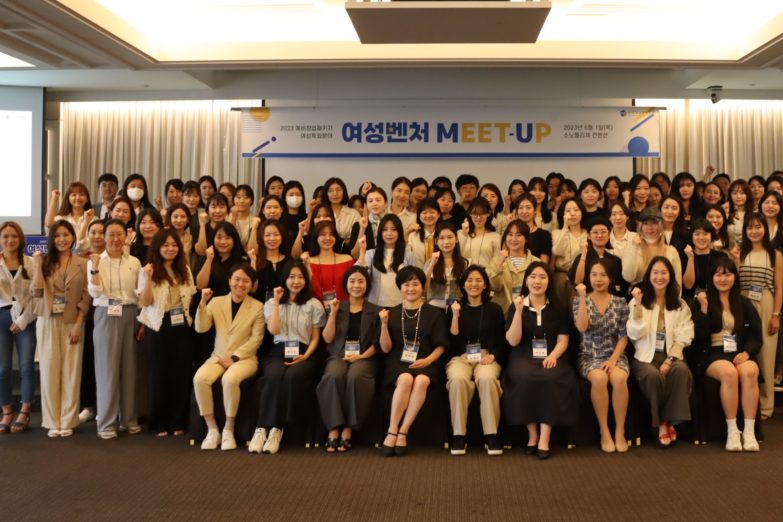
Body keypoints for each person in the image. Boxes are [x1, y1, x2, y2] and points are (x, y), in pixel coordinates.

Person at [504, 262, 578, 459]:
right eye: (533, 277)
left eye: (542, 277)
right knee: (524, 377)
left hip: (553, 354)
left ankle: (545, 437)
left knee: (550, 378)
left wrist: (553, 355)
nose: (537, 281)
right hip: (523, 353)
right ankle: (532, 435)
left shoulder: (558, 307)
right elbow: (513, 341)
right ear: (526, 280)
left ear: (549, 281)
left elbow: (563, 340)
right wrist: (518, 311)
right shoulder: (516, 306)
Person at [251, 261, 324, 455]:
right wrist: (276, 302)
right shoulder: (271, 303)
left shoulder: (314, 304)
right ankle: (262, 428)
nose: (296, 281)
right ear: (284, 279)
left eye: (300, 277)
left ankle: (277, 428)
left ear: (306, 280)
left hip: (305, 352)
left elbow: (315, 338)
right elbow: (274, 330)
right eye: (291, 277)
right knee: (273, 375)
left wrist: (306, 355)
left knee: (292, 376)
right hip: (278, 350)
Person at [690, 257, 762, 451]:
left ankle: (749, 431)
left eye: (728, 274)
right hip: (711, 354)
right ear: (711, 277)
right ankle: (732, 431)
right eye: (718, 275)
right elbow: (697, 336)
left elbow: (756, 335)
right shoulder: (703, 300)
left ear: (735, 277)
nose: (723, 279)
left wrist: (747, 352)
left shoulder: (744, 302)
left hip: (739, 353)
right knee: (729, 373)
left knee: (750, 372)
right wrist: (703, 310)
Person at [193, 263, 265, 451]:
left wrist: (234, 358)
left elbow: (256, 339)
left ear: (252, 285)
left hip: (245, 359)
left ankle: (228, 429)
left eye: (246, 281)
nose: (240, 284)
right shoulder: (216, 302)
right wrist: (202, 303)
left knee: (230, 379)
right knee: (200, 378)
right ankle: (212, 430)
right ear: (229, 281)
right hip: (218, 356)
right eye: (237, 279)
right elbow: (201, 328)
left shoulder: (258, 307)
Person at [379, 266, 448, 457]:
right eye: (406, 284)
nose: (411, 288)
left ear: (423, 287)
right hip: (398, 360)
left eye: (415, 284)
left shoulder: (434, 313)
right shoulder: (391, 313)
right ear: (400, 288)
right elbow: (385, 348)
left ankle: (403, 431)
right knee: (405, 379)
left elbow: (441, 345)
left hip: (427, 359)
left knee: (422, 380)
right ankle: (392, 429)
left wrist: (427, 361)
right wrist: (383, 325)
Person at [626, 257, 694, 448]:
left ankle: (669, 420)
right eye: (655, 273)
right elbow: (634, 333)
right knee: (653, 376)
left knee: (681, 371)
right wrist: (638, 306)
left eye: (664, 273)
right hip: (644, 357)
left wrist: (670, 359)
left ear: (670, 276)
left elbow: (686, 333)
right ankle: (661, 424)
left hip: (671, 355)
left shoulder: (679, 304)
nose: (659, 277)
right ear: (649, 276)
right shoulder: (639, 300)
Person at [31, 221, 90, 437]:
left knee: (71, 371)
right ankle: (51, 420)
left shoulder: (83, 263)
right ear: (52, 239)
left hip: (73, 321)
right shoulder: (44, 261)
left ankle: (68, 419)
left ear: (73, 237)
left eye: (66, 235)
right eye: (57, 236)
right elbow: (36, 292)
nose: (62, 239)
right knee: (49, 370)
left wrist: (78, 324)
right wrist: (37, 265)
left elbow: (86, 297)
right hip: (47, 320)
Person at [136, 229, 196, 437]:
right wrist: (149, 278)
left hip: (182, 326)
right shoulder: (148, 270)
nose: (170, 249)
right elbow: (145, 302)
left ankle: (178, 421)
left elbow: (191, 296)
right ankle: (157, 422)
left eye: (174, 245)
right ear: (157, 247)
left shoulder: (184, 270)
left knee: (181, 374)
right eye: (166, 245)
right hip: (158, 326)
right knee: (158, 375)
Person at [87, 219, 143, 439]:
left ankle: (128, 419)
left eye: (119, 234)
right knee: (107, 370)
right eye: (111, 234)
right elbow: (95, 292)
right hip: (106, 314)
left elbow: (139, 293)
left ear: (126, 236)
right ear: (104, 237)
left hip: (130, 313)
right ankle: (106, 423)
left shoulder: (134, 262)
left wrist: (142, 321)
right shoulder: (95, 261)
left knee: (130, 369)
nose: (115, 239)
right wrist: (94, 268)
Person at [316, 266, 380, 452]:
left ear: (367, 285)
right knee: (332, 376)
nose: (356, 285)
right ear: (346, 284)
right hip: (338, 355)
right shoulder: (337, 306)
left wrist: (361, 356)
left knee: (356, 376)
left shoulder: (376, 310)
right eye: (352, 281)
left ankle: (348, 428)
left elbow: (377, 344)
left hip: (365, 358)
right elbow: (327, 338)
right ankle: (333, 428)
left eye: (361, 281)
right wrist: (333, 313)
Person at [445, 265, 505, 456]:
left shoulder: (494, 309)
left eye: (479, 280)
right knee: (457, 379)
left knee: (487, 379)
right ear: (463, 285)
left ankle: (491, 435)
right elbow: (452, 341)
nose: (474, 284)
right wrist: (455, 316)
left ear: (485, 284)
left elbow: (502, 340)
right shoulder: (455, 308)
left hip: (487, 355)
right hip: (460, 356)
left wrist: (493, 356)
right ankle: (458, 435)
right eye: (469, 280)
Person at [574, 259, 630, 453]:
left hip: (614, 355)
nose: (598, 279)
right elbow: (582, 327)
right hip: (589, 355)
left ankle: (620, 431)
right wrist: (582, 298)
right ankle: (604, 431)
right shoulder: (579, 300)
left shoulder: (620, 302)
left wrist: (613, 360)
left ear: (611, 278)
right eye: (594, 275)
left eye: (603, 275)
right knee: (599, 379)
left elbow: (624, 336)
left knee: (619, 378)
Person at [731, 212, 782, 420]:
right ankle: (744, 403)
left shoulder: (775, 255)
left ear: (765, 229)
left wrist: (776, 314)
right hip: (742, 303)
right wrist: (735, 261)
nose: (754, 231)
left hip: (766, 302)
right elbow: (731, 281)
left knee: (766, 356)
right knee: (743, 351)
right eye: (750, 227)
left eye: (758, 227)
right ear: (745, 230)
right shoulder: (738, 251)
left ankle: (766, 406)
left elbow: (779, 288)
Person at [0, 222, 36, 434]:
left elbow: (36, 296)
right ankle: (6, 411)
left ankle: (24, 410)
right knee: (2, 369)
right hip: (1, 316)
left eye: (14, 236)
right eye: (5, 236)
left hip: (25, 319)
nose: (10, 240)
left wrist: (23, 320)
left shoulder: (30, 263)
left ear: (20, 238)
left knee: (26, 366)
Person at [77, 219, 106, 424]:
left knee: (106, 364)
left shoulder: (113, 257)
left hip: (108, 316)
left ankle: (105, 405)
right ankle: (88, 405)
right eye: (93, 232)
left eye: (101, 232)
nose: (97, 236)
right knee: (87, 362)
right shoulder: (80, 259)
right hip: (86, 316)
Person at [358, 214, 415, 307]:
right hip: (376, 305)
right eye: (385, 230)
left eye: (393, 229)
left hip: (402, 305)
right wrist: (362, 250)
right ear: (380, 232)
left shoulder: (408, 254)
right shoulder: (371, 254)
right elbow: (360, 275)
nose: (389, 233)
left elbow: (413, 280)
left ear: (399, 232)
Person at [622, 206, 682, 289]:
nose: (650, 227)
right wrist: (633, 248)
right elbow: (628, 277)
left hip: (665, 295)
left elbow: (677, 284)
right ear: (640, 226)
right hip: (639, 294)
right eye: (645, 223)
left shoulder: (671, 251)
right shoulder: (631, 248)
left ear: (660, 225)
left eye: (654, 223)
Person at [486, 219, 540, 312]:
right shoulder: (496, 260)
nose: (513, 239)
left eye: (518, 235)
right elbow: (494, 287)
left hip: (529, 312)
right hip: (502, 312)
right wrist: (499, 265)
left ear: (526, 238)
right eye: (510, 234)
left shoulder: (536, 263)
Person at [569, 217, 626, 298]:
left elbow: (620, 286)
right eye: (595, 232)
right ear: (589, 236)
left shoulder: (616, 260)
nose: (599, 235)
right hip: (587, 300)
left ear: (609, 235)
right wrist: (583, 256)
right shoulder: (581, 258)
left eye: (603, 232)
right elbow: (577, 283)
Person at [305, 221, 355, 305]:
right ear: (316, 237)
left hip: (344, 308)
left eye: (331, 234)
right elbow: (307, 288)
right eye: (323, 234)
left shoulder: (347, 260)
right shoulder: (308, 261)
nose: (328, 238)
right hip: (316, 308)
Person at [424, 222, 468, 310]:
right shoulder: (430, 262)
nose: (446, 242)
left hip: (457, 307)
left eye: (450, 237)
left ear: (456, 239)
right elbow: (424, 289)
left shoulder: (465, 263)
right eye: (442, 238)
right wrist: (432, 264)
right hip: (434, 308)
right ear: (436, 241)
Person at [44, 183, 94, 253]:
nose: (78, 198)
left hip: (86, 257)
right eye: (74, 195)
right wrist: (54, 199)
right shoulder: (61, 218)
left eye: (82, 194)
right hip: (62, 256)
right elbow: (49, 224)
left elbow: (83, 245)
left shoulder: (94, 220)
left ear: (87, 199)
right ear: (68, 198)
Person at [251, 220, 290, 304]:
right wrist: (253, 263)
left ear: (282, 236)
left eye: (276, 235)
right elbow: (252, 289)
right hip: (259, 307)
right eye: (267, 235)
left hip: (284, 306)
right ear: (262, 237)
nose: (272, 239)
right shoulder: (255, 259)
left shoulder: (289, 261)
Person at [458, 196, 501, 268]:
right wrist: (464, 235)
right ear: (470, 213)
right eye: (475, 213)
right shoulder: (460, 234)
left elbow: (497, 263)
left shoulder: (496, 237)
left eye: (482, 213)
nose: (478, 217)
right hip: (465, 274)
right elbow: (456, 257)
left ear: (488, 213)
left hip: (487, 274)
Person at [350, 186, 388, 260]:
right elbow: (355, 255)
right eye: (370, 201)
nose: (374, 204)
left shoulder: (392, 223)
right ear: (366, 205)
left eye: (378, 200)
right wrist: (362, 229)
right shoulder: (358, 225)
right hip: (366, 264)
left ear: (386, 203)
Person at [513, 194, 552, 263]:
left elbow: (544, 263)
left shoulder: (544, 235)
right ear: (516, 211)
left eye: (528, 208)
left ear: (535, 211)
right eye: (521, 208)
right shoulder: (511, 234)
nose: (524, 211)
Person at [406, 198, 440, 269]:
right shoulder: (412, 236)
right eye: (424, 213)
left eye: (432, 212)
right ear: (419, 216)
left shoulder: (443, 235)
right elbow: (407, 259)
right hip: (417, 274)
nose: (428, 216)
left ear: (438, 215)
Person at [324, 177, 360, 242]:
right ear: (326, 194)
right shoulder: (322, 212)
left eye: (338, 190)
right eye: (331, 190)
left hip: (350, 248)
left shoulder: (353, 213)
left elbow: (358, 237)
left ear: (344, 192)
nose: (335, 193)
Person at [229, 184, 260, 253]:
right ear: (233, 199)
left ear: (251, 200)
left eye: (246, 197)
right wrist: (234, 218)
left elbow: (253, 250)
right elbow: (228, 240)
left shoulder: (255, 221)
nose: (242, 201)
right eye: (238, 197)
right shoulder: (226, 218)